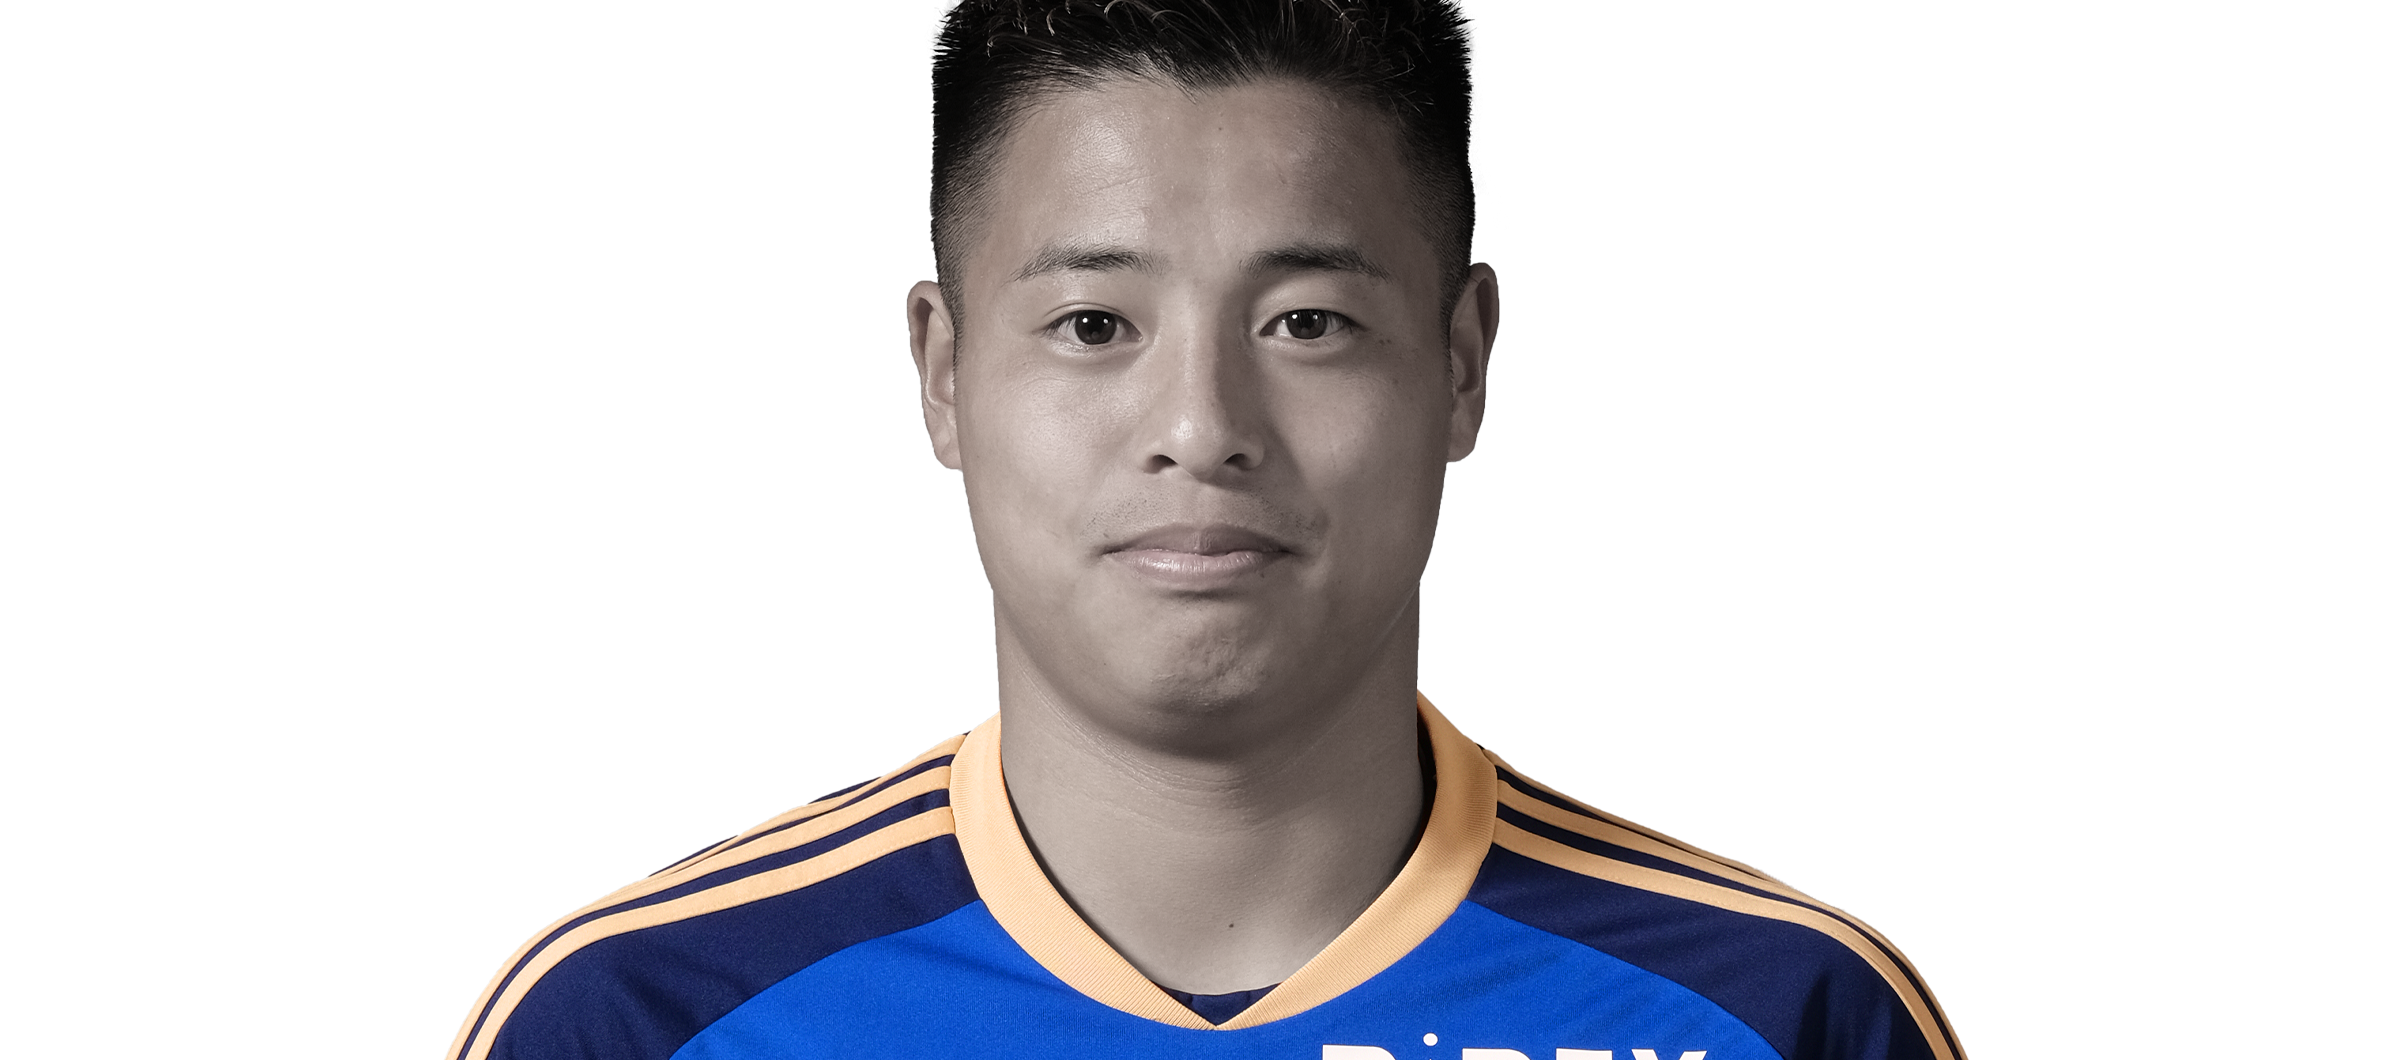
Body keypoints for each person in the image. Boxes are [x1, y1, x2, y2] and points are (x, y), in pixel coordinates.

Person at [448, 2, 1964, 1058]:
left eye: (1308, 321)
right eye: (1094, 323)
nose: (1202, 423)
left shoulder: (1788, 1015)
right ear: (946, 376)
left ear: (1461, 365)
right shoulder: (634, 1018)